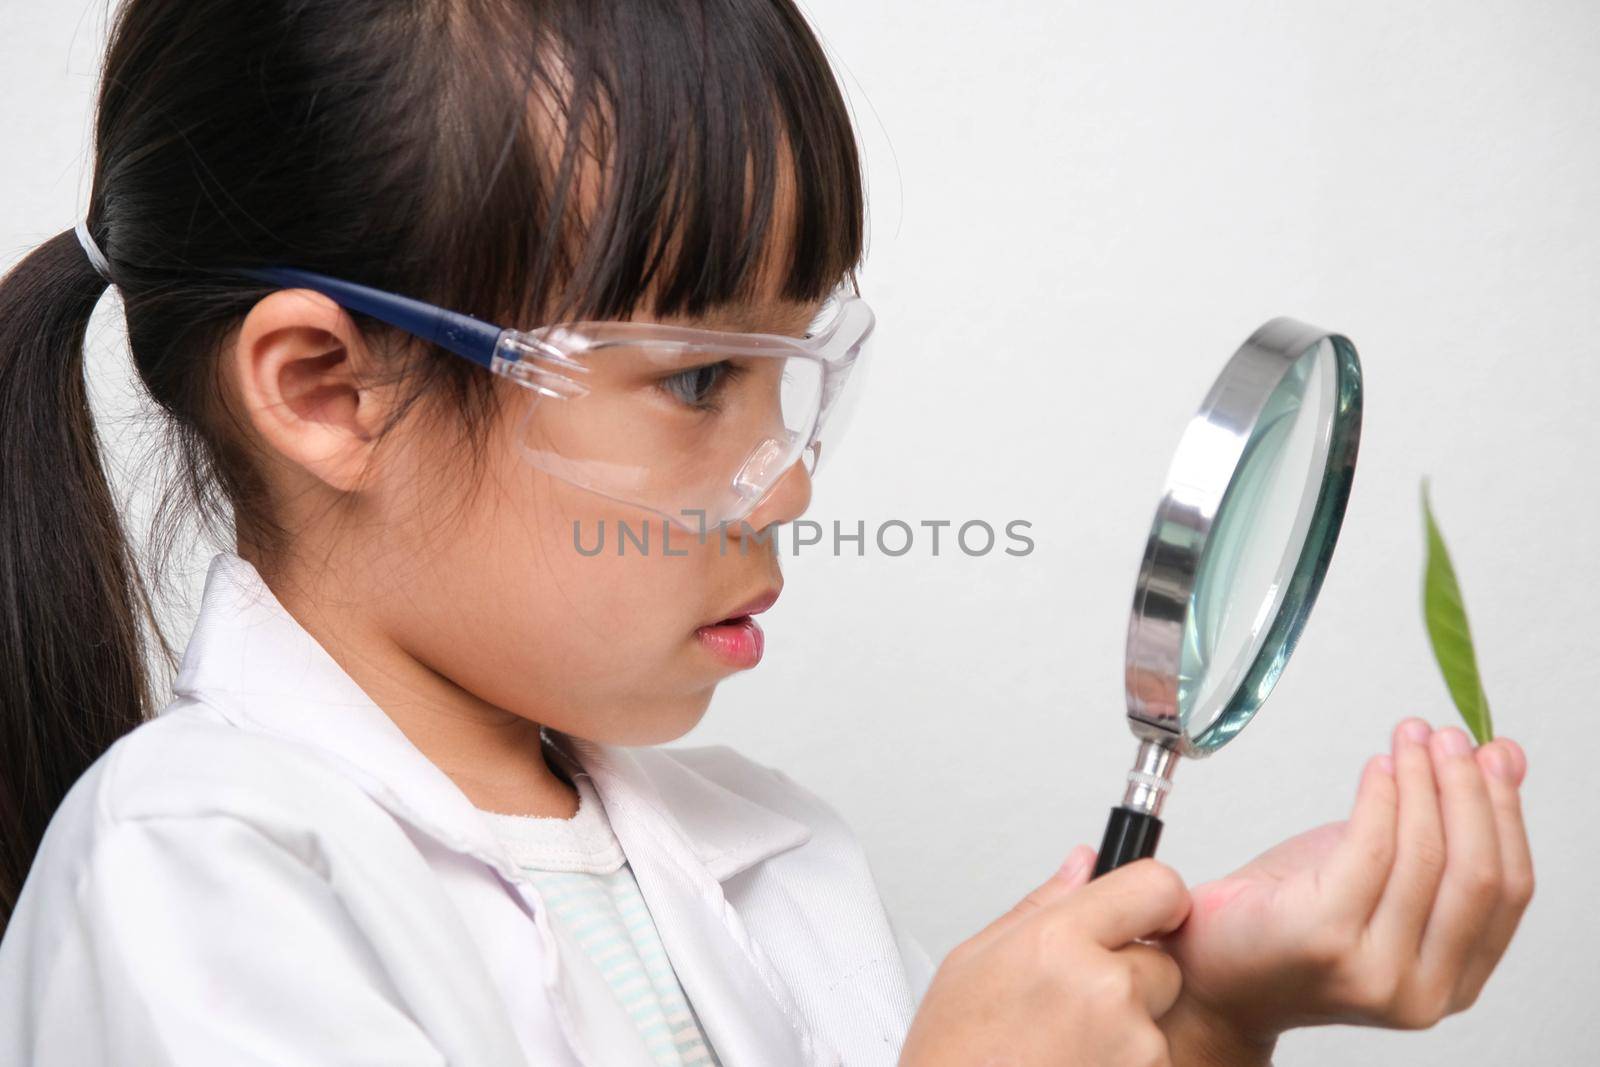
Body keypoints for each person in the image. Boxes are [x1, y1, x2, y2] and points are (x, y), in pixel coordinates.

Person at [0, 2, 1533, 1064]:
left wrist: (1209, 1023)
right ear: (331, 391)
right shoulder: (196, 877)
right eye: (700, 379)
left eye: (799, 375)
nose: (787, 482)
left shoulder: (774, 854)